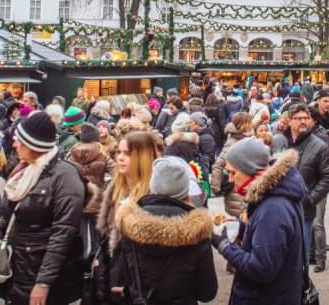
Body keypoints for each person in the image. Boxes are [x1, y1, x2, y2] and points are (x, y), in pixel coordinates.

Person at [0, 111, 87, 305]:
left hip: (41, 270)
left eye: (18, 140)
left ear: (33, 145)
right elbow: (13, 213)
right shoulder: (25, 169)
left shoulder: (65, 176)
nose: (14, 145)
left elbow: (63, 233)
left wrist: (44, 282)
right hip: (19, 265)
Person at [211, 139, 306, 305]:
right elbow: (270, 239)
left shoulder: (273, 208)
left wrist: (224, 245)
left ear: (250, 170)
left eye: (234, 173)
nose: (231, 180)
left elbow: (261, 269)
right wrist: (240, 227)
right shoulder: (274, 195)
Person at [117, 157, 218, 304]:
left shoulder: (129, 226)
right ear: (185, 191)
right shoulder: (198, 232)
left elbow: (126, 279)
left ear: (153, 187)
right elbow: (207, 293)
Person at [96, 130, 157, 304]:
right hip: (111, 270)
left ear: (143, 158)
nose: (120, 158)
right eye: (119, 152)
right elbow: (106, 233)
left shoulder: (152, 194)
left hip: (137, 279)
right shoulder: (115, 188)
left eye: (127, 154)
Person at [283, 102, 329, 272]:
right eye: (299, 118)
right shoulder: (280, 142)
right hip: (280, 209)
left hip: (304, 211)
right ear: (289, 121)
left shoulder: (319, 146)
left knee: (300, 258)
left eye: (306, 118)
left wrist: (311, 198)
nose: (303, 121)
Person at [210, 112, 255, 222]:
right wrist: (216, 188)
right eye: (250, 123)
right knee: (240, 224)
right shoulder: (233, 142)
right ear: (244, 125)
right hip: (237, 192)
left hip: (244, 190)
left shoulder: (245, 140)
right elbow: (218, 165)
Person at [68, 122, 114, 218]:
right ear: (96, 138)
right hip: (96, 200)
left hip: (75, 200)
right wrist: (106, 189)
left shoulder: (71, 155)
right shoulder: (102, 154)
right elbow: (118, 174)